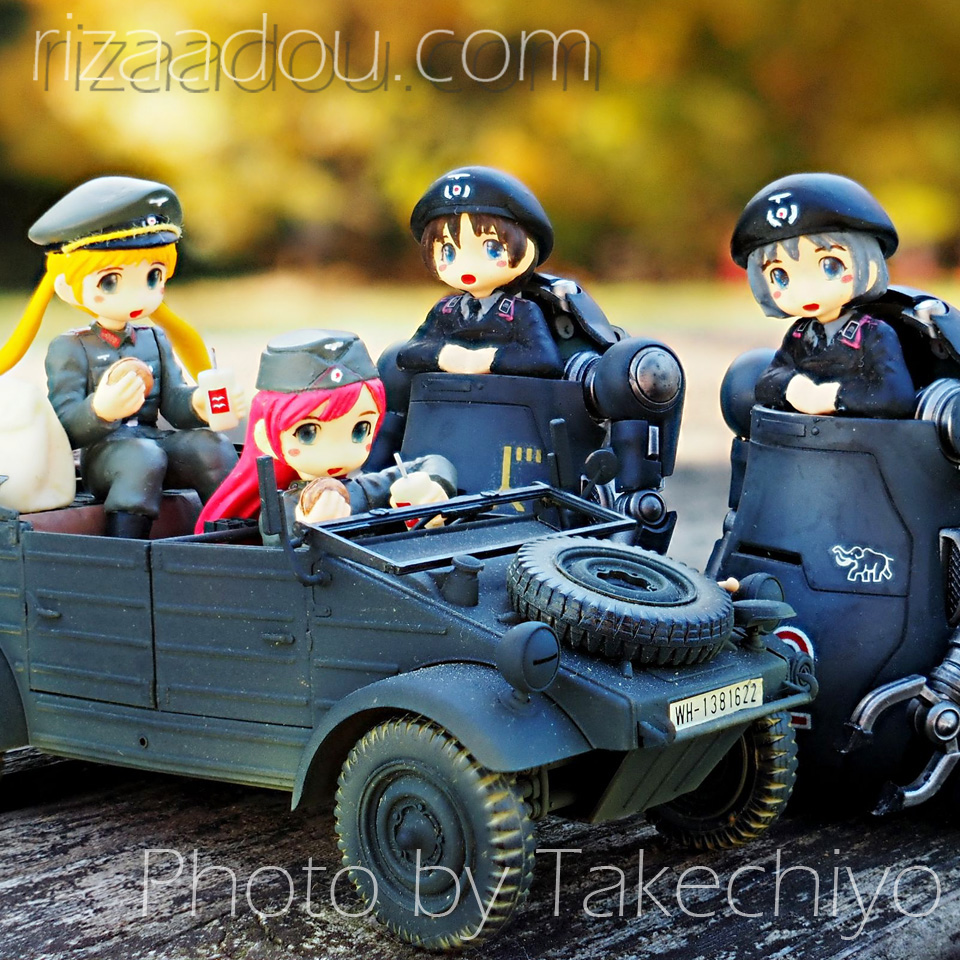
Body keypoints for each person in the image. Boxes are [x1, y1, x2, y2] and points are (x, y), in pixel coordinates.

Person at [8, 176, 241, 538]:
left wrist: (199, 403)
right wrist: (100, 410)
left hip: (154, 444)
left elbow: (173, 404)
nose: (138, 296)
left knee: (211, 447)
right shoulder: (71, 348)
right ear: (69, 287)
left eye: (152, 277)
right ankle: (127, 547)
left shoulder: (154, 339)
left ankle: (236, 533)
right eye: (111, 282)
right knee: (142, 458)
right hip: (106, 457)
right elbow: (63, 429)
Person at [195, 329, 456, 536]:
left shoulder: (361, 488)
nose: (338, 452)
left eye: (360, 430)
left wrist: (434, 485)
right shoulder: (283, 509)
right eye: (307, 433)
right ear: (266, 438)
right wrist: (306, 527)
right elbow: (282, 551)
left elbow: (432, 463)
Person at [730, 172, 917, 418]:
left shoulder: (873, 334)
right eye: (780, 275)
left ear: (870, 266)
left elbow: (894, 396)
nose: (804, 290)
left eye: (831, 266)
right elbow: (768, 380)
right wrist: (793, 388)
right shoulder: (801, 334)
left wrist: (834, 397)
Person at [397, 166, 564, 379]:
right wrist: (444, 355)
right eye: (448, 251)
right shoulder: (446, 311)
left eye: (492, 248)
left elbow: (545, 360)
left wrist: (489, 359)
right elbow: (408, 353)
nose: (467, 265)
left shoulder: (520, 312)